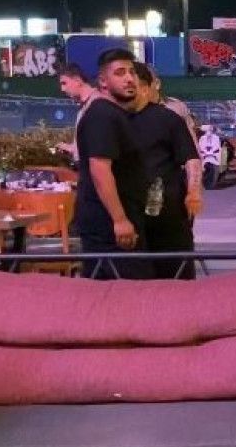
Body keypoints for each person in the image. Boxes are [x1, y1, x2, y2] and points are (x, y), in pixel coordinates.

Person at [74, 48, 147, 277]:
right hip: (108, 228)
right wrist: (120, 220)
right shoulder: (103, 115)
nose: (129, 78)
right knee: (123, 292)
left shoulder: (114, 114)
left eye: (132, 72)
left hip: (116, 222)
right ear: (103, 81)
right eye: (120, 73)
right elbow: (99, 169)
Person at [128, 62, 203, 280]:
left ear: (147, 87)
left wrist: (194, 192)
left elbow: (192, 158)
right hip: (133, 213)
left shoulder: (170, 117)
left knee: (175, 270)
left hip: (168, 210)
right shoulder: (115, 120)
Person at [56, 63, 96, 162]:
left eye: (64, 83)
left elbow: (100, 149)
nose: (62, 89)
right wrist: (72, 149)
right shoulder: (84, 107)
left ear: (77, 80)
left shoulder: (97, 104)